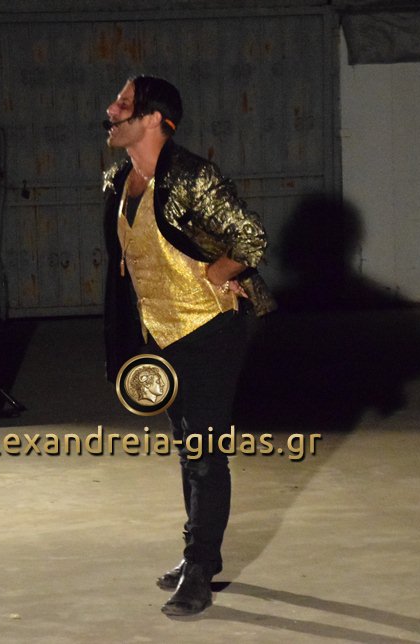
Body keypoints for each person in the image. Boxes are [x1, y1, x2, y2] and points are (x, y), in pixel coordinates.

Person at [101, 75, 275, 616]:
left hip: (209, 329)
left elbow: (252, 238)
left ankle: (201, 567)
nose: (111, 111)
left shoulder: (194, 176)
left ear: (154, 119)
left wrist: (217, 274)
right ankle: (194, 553)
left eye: (124, 104)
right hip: (158, 331)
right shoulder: (118, 178)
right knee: (187, 448)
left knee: (203, 454)